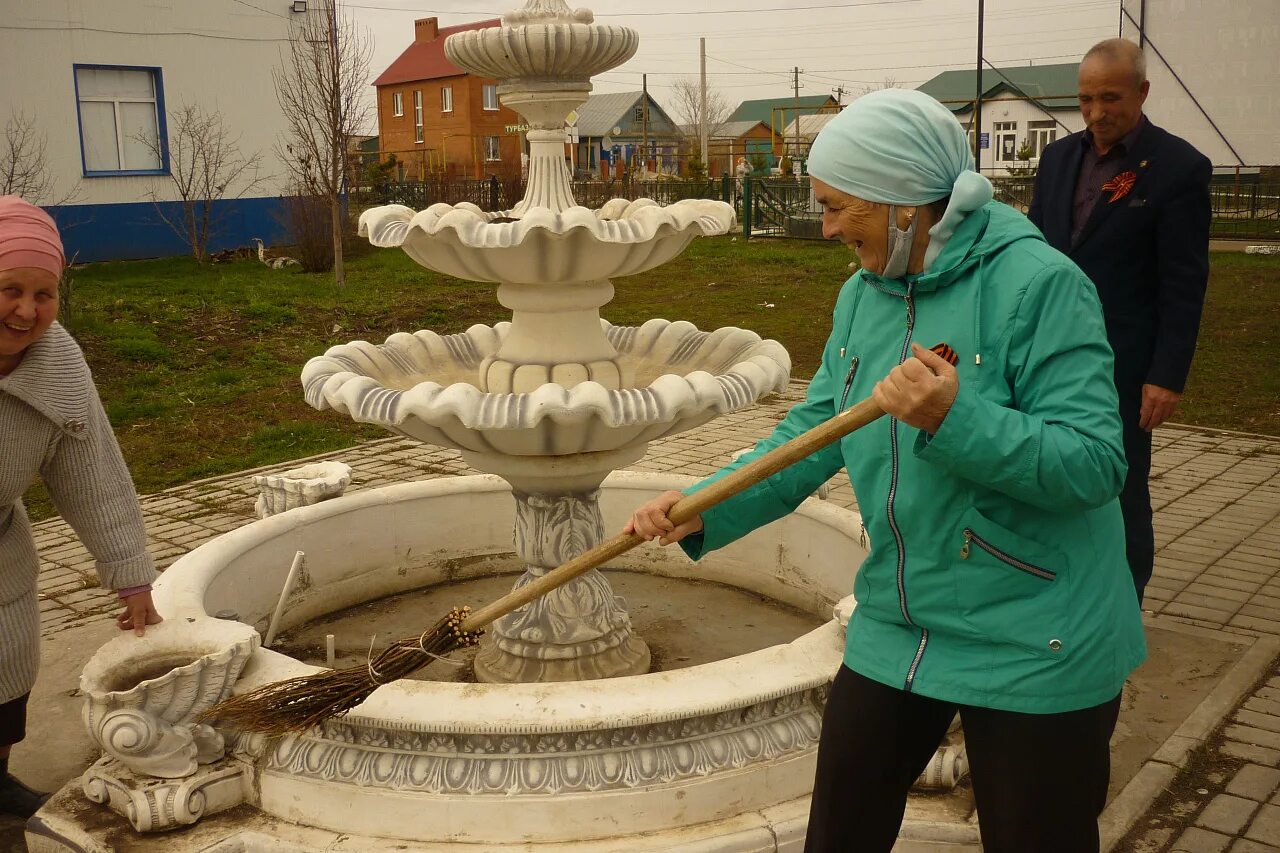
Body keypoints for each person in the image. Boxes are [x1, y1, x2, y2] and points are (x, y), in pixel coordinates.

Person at [625, 89, 1146, 853]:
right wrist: (706, 502)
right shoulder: (864, 293)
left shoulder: (1040, 285)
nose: (827, 225)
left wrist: (952, 416)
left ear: (906, 204)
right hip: (903, 615)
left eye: (839, 206)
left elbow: (1095, 464)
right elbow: (815, 430)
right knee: (839, 828)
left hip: (1037, 630)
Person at [1029, 38, 1212, 602]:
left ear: (1142, 92)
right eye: (1085, 99)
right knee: (1048, 468)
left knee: (1123, 480)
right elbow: (1035, 252)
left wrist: (1167, 374)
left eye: (1110, 97)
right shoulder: (1058, 159)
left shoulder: (1179, 168)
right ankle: (1059, 583)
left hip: (1125, 362)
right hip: (1047, 351)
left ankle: (1125, 596)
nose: (1096, 112)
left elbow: (1183, 283)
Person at [0, 195, 163, 818]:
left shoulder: (57, 362)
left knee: (8, 668)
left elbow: (90, 470)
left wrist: (129, 574)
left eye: (43, 294)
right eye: (9, 288)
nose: (26, 310)